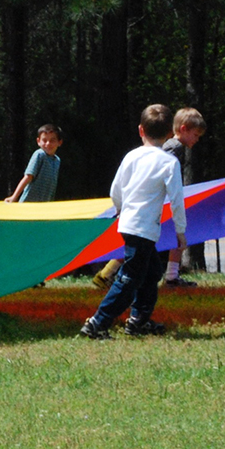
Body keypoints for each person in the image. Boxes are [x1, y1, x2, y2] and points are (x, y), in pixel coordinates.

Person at [80, 105, 187, 339]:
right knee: (130, 278)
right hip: (144, 228)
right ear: (170, 133)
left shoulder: (131, 156)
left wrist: (120, 209)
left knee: (151, 272)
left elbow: (115, 189)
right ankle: (97, 323)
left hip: (128, 223)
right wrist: (181, 230)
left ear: (140, 130)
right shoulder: (169, 162)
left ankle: (139, 320)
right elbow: (177, 200)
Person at [161, 109, 205, 287]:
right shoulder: (174, 147)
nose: (197, 139)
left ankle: (172, 275)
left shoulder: (173, 146)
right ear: (183, 129)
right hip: (162, 199)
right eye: (195, 135)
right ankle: (171, 276)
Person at [5, 124, 63, 203]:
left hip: (44, 206)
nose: (48, 144)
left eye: (52, 140)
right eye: (44, 140)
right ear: (38, 141)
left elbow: (52, 185)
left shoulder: (57, 160)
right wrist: (14, 197)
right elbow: (28, 177)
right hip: (29, 204)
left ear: (59, 142)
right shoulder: (39, 154)